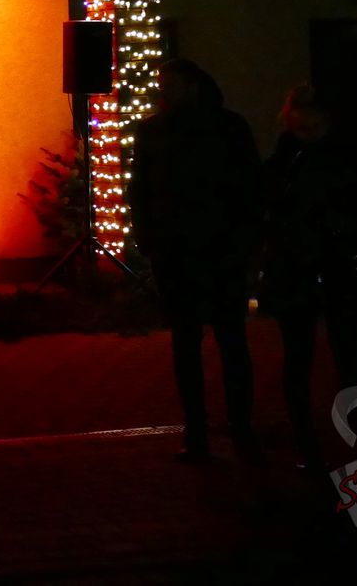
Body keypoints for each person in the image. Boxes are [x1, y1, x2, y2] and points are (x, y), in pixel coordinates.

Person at [129, 58, 264, 463]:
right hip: (178, 249)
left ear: (192, 86)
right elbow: (140, 188)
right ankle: (200, 428)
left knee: (228, 339)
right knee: (190, 342)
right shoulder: (154, 130)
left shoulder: (227, 128)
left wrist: (246, 240)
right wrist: (148, 237)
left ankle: (238, 425)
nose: (162, 90)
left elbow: (250, 187)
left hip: (219, 247)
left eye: (169, 84)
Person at [262, 86, 357, 468]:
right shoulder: (288, 160)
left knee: (340, 352)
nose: (308, 135)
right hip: (303, 265)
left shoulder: (323, 159)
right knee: (307, 354)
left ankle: (349, 431)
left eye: (314, 128)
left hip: (325, 263)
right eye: (302, 129)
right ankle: (313, 437)